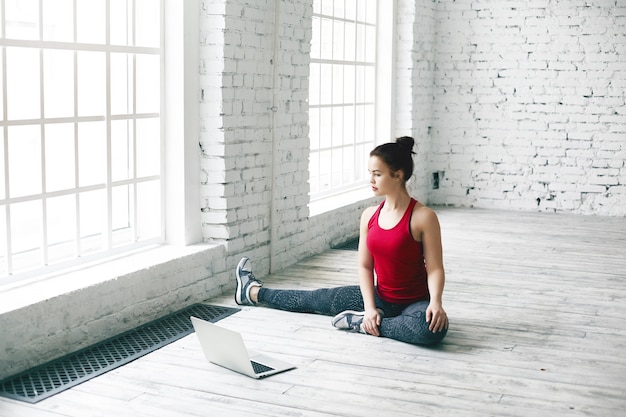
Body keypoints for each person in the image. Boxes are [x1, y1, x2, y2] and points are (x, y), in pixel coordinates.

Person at [234, 136, 449, 345]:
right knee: (316, 299)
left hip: (415, 304)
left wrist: (436, 302)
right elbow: (365, 265)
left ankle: (366, 325)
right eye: (370, 173)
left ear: (398, 175)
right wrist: (370, 307)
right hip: (378, 297)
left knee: (430, 329)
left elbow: (435, 268)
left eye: (377, 174)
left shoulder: (423, 217)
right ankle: (252, 291)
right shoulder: (369, 215)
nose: (371, 180)